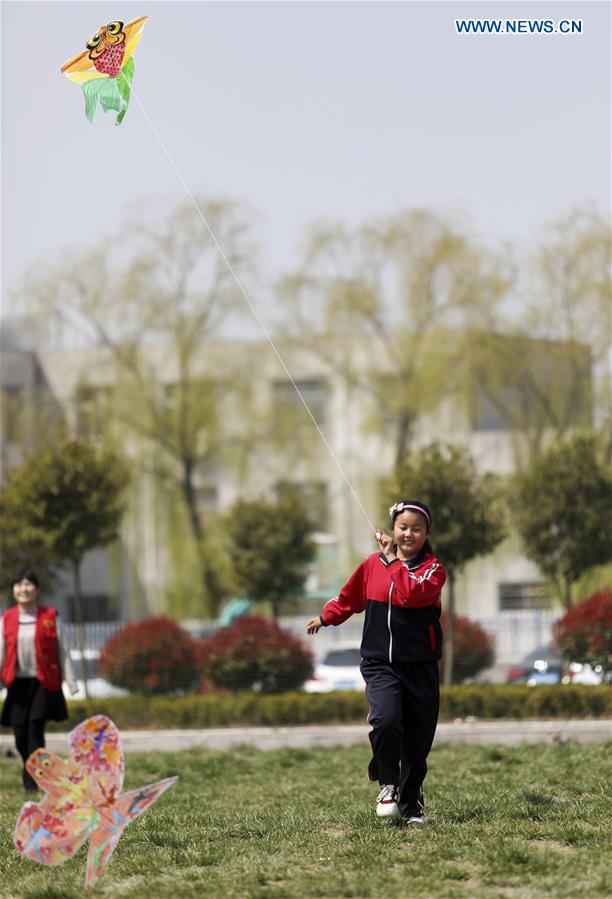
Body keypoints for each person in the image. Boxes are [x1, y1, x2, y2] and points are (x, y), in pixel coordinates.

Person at [306, 500, 445, 823]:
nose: (408, 533)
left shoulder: (433, 570)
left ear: (426, 534)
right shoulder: (373, 565)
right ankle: (388, 785)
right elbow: (349, 598)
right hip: (379, 664)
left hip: (420, 667)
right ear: (393, 529)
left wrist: (393, 560)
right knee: (385, 720)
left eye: (416, 529)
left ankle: (412, 803)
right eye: (403, 527)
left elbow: (410, 592)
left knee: (417, 739)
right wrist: (325, 618)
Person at [0, 570, 77, 791]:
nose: (24, 589)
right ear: (14, 590)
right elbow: (1, 653)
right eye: (19, 584)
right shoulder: (7, 619)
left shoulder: (51, 617)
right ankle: (36, 770)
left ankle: (33, 783)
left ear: (37, 589)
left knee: (35, 729)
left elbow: (64, 650)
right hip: (17, 683)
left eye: (28, 584)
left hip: (43, 682)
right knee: (20, 735)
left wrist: (71, 682)